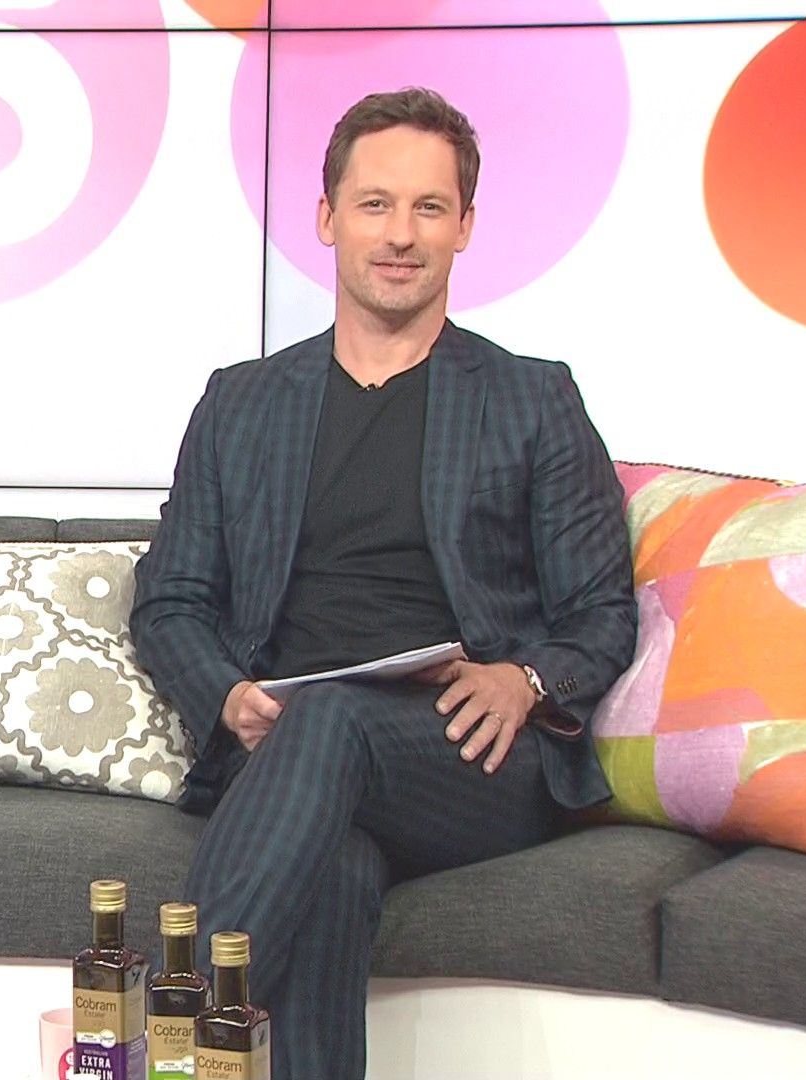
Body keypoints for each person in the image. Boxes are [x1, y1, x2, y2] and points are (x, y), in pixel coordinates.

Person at [129, 87, 636, 1079]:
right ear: (327, 219)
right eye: (375, 204)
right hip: (289, 756)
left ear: (465, 227)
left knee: (334, 720)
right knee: (334, 866)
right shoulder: (242, 404)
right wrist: (227, 698)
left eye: (429, 208)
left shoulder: (532, 398)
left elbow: (602, 613)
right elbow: (171, 597)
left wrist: (525, 681)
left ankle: (166, 1049)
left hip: (466, 757)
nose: (401, 234)